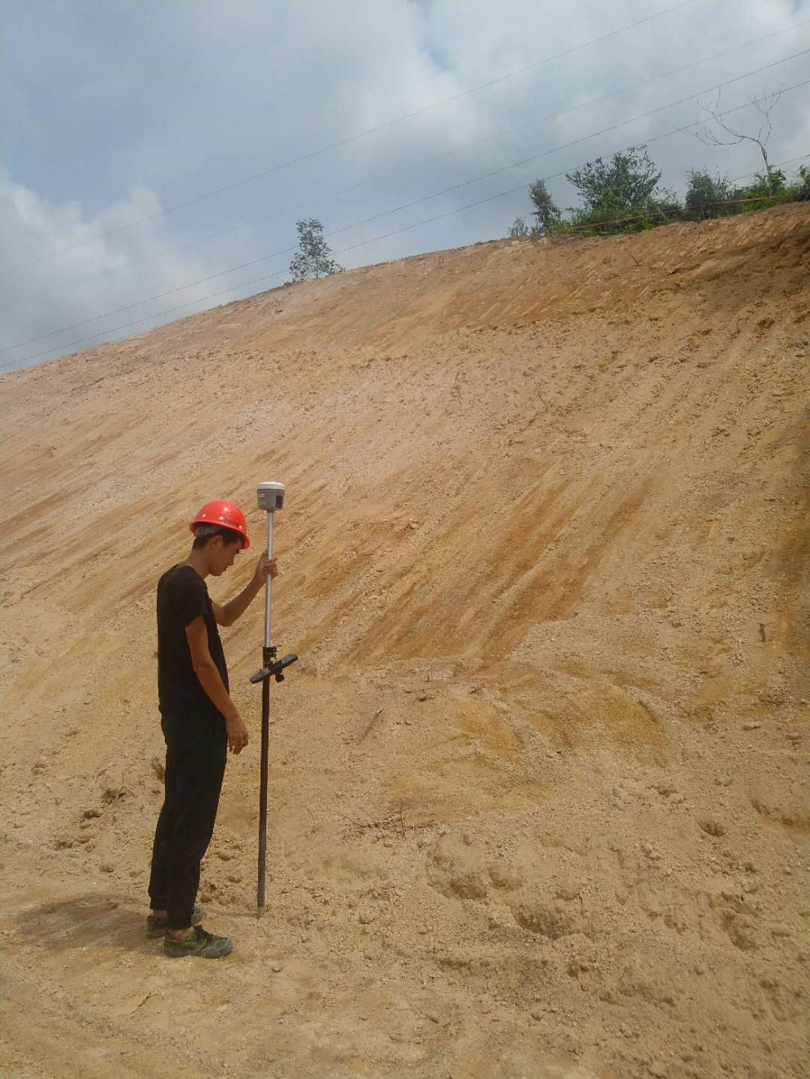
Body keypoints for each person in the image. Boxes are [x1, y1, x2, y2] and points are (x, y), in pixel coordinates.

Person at [146, 499, 278, 958]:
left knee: (176, 809)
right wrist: (231, 715)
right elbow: (203, 662)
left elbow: (225, 617)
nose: (233, 561)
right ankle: (181, 931)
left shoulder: (178, 580)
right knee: (194, 820)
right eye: (234, 552)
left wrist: (256, 581)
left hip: (180, 717)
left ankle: (164, 908)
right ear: (216, 541)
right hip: (198, 721)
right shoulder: (188, 585)